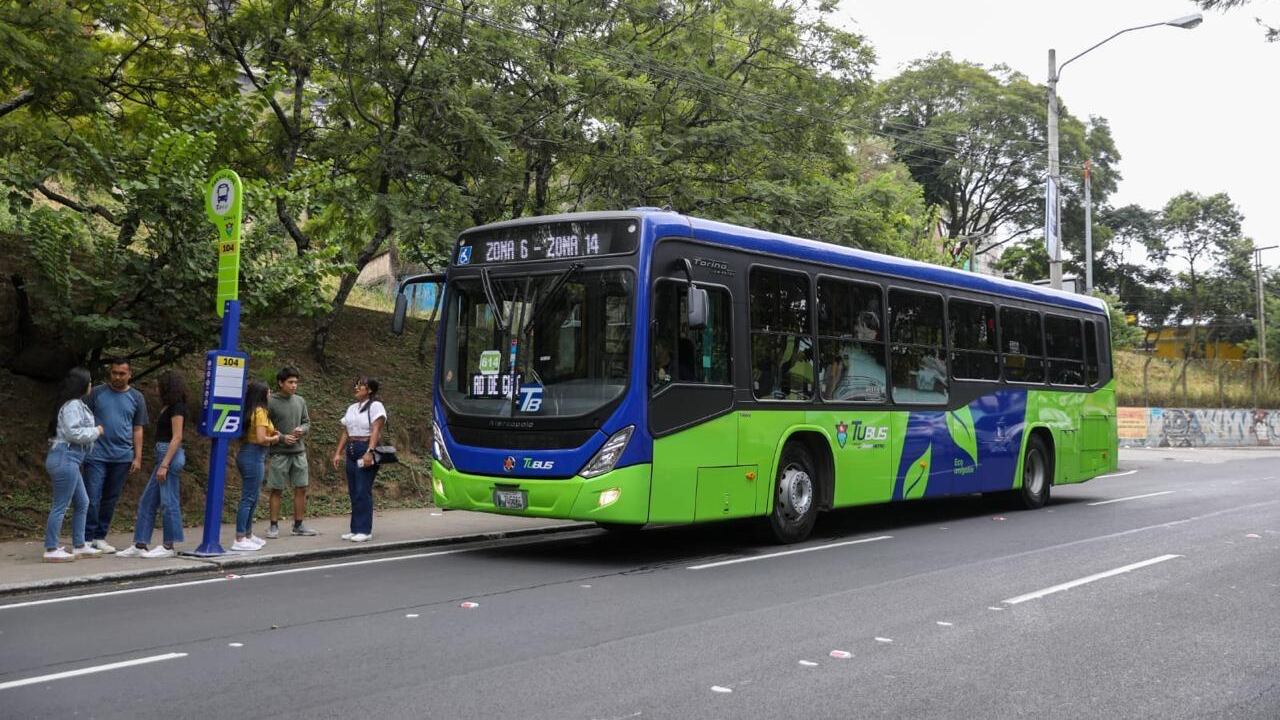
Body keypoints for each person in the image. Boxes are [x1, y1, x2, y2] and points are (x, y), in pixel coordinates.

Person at [117, 371, 188, 558]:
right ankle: (140, 543)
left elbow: (177, 437)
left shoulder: (178, 407)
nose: (156, 389)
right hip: (163, 455)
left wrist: (164, 465)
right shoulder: (168, 406)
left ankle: (168, 545)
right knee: (148, 500)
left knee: (168, 501)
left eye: (159, 385)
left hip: (169, 456)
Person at [82, 358, 148, 553]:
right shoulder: (97, 393)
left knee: (110, 498)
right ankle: (86, 537)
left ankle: (100, 536)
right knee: (92, 497)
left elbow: (138, 429)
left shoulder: (137, 398)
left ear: (130, 374)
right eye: (114, 373)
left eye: (122, 373)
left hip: (122, 456)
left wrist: (137, 457)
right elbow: (83, 418)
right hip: (95, 454)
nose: (117, 377)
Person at [43, 368, 105, 562]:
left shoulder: (75, 404)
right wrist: (96, 431)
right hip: (66, 457)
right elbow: (73, 433)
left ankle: (79, 545)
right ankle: (51, 548)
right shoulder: (72, 405)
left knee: (83, 501)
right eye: (89, 382)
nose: (91, 385)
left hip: (70, 458)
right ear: (82, 385)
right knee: (60, 505)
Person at [331, 377, 387, 542]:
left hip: (365, 447)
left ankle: (364, 530)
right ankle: (355, 528)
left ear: (369, 390)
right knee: (354, 490)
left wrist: (370, 451)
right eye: (355, 385)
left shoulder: (376, 406)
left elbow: (376, 430)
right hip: (352, 447)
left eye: (360, 386)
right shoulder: (351, 408)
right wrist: (338, 452)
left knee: (363, 489)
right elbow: (346, 432)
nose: (356, 388)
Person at [266, 366, 316, 538]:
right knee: (276, 489)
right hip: (279, 453)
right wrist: (281, 438)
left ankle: (299, 525)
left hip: (299, 452)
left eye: (296, 382)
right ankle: (273, 526)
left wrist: (302, 429)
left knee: (301, 488)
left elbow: (307, 422)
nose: (294, 385)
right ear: (281, 383)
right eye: (290, 382)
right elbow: (264, 428)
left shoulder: (300, 401)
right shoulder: (270, 401)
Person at [231, 381, 279, 552]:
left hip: (251, 454)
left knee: (253, 497)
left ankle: (248, 534)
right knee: (248, 498)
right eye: (268, 391)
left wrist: (272, 434)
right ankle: (240, 537)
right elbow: (260, 438)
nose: (270, 393)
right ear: (261, 394)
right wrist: (275, 438)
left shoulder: (253, 411)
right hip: (253, 454)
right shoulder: (260, 412)